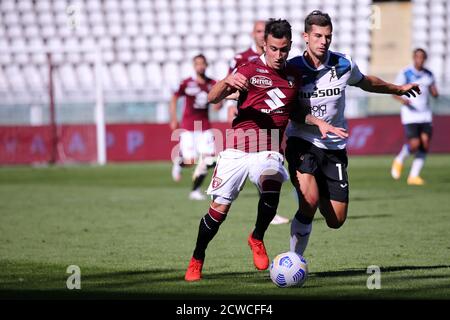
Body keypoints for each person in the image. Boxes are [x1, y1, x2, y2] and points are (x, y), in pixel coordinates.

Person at [184, 19, 348, 281]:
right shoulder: (248, 70)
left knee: (272, 181)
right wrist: (227, 81)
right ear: (264, 45)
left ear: (290, 46)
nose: (279, 55)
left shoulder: (293, 77)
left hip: (268, 149)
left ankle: (257, 237)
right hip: (237, 150)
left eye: (284, 50)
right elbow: (212, 97)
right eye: (273, 49)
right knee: (218, 212)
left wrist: (317, 121)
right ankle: (197, 257)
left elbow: (295, 112)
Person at [285, 11, 421, 258]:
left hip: (334, 147)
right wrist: (317, 123)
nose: (323, 41)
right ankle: (294, 259)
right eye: (318, 36)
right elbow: (289, 109)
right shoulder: (292, 68)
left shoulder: (344, 64)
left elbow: (367, 82)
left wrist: (398, 87)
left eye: (328, 36)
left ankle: (315, 193)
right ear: (306, 36)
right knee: (309, 202)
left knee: (336, 220)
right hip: (302, 142)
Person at [227, 20, 290, 225]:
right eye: (258, 31)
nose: (261, 33)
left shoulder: (282, 63)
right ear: (257, 36)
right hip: (247, 121)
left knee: (269, 166)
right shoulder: (242, 59)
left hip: (274, 121)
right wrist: (230, 108)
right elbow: (231, 85)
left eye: (264, 30)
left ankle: (270, 209)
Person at [170, 54, 222, 200]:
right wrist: (173, 118)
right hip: (188, 127)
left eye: (202, 63)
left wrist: (219, 104)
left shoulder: (213, 83)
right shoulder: (186, 83)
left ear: (206, 65)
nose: (200, 66)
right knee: (190, 161)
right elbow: (174, 98)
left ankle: (195, 190)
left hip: (204, 126)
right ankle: (179, 163)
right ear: (194, 66)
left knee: (208, 160)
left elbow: (219, 102)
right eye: (197, 63)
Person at [391, 48, 439, 185]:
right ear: (414, 58)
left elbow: (433, 91)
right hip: (410, 114)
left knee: (425, 143)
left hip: (425, 114)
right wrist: (403, 100)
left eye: (422, 57)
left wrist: (435, 93)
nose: (420, 60)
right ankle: (400, 159)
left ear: (425, 59)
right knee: (414, 144)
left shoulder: (429, 74)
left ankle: (413, 176)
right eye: (418, 57)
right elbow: (394, 92)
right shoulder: (405, 73)